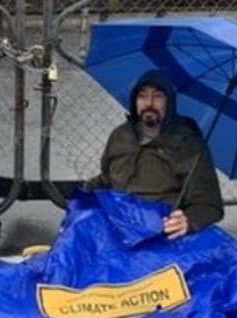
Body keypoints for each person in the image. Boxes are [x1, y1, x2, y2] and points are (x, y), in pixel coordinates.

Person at [90, 69, 224, 239]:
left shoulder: (187, 143)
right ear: (134, 101)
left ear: (169, 102)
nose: (149, 103)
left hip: (161, 233)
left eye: (158, 96)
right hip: (117, 227)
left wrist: (189, 221)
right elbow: (108, 178)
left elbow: (209, 204)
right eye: (142, 96)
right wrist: (84, 193)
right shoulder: (120, 136)